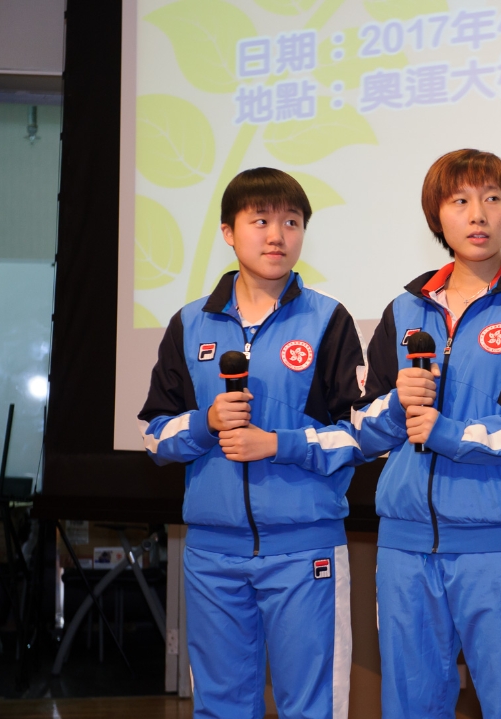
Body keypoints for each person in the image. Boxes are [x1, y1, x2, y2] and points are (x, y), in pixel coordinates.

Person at [352, 149, 501, 719]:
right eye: (460, 201)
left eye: (492, 199)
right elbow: (359, 425)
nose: (478, 214)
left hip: (499, 543)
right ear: (437, 216)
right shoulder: (403, 310)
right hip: (404, 545)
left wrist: (453, 434)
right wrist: (397, 407)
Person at [138, 167, 364, 719]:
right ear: (227, 232)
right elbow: (155, 435)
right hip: (212, 553)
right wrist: (206, 423)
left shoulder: (329, 320)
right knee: (220, 708)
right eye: (260, 221)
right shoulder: (189, 323)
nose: (277, 236)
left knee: (311, 708)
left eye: (292, 222)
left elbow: (358, 436)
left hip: (305, 550)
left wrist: (278, 444)